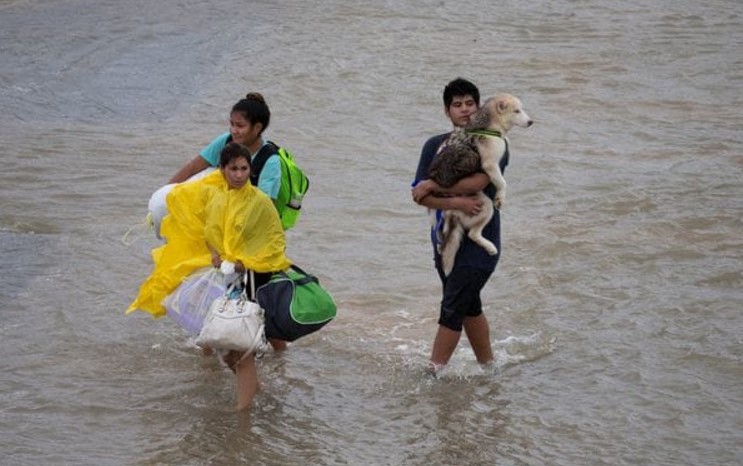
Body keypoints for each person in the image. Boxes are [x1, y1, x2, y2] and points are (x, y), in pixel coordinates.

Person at [128, 142, 292, 410]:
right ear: (222, 170)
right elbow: (210, 233)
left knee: (241, 347)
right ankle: (254, 391)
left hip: (254, 278)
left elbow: (273, 242)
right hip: (226, 279)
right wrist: (216, 254)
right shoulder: (218, 199)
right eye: (233, 169)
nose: (239, 174)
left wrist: (243, 262)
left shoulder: (260, 202)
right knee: (226, 348)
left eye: (244, 168)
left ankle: (243, 414)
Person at [411, 78, 507, 374]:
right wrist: (457, 202)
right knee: (468, 305)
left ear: (480, 108)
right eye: (457, 105)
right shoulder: (433, 145)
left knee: (452, 307)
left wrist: (433, 184)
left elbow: (480, 182)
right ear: (447, 111)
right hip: (444, 242)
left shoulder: (494, 142)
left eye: (470, 104)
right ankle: (489, 368)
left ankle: (431, 375)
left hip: (480, 244)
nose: (464, 110)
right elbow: (419, 195)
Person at [169, 93, 282, 206]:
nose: (233, 130)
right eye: (232, 124)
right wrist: (165, 194)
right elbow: (193, 168)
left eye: (240, 126)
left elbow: (266, 207)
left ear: (257, 128)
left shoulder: (270, 160)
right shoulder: (226, 140)